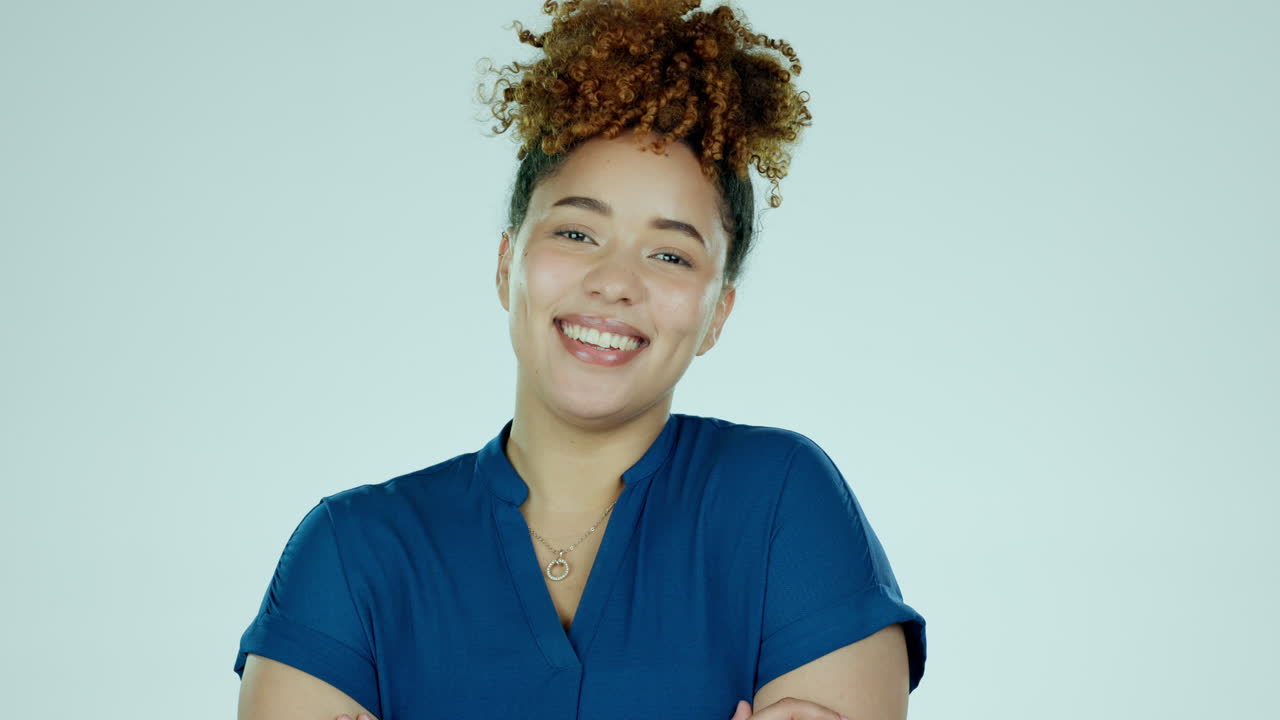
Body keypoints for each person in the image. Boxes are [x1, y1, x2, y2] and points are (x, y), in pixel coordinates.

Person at [233, 1, 926, 718]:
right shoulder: (351, 558)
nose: (615, 281)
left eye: (670, 253)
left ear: (717, 311)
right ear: (507, 265)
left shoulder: (784, 506)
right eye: (576, 232)